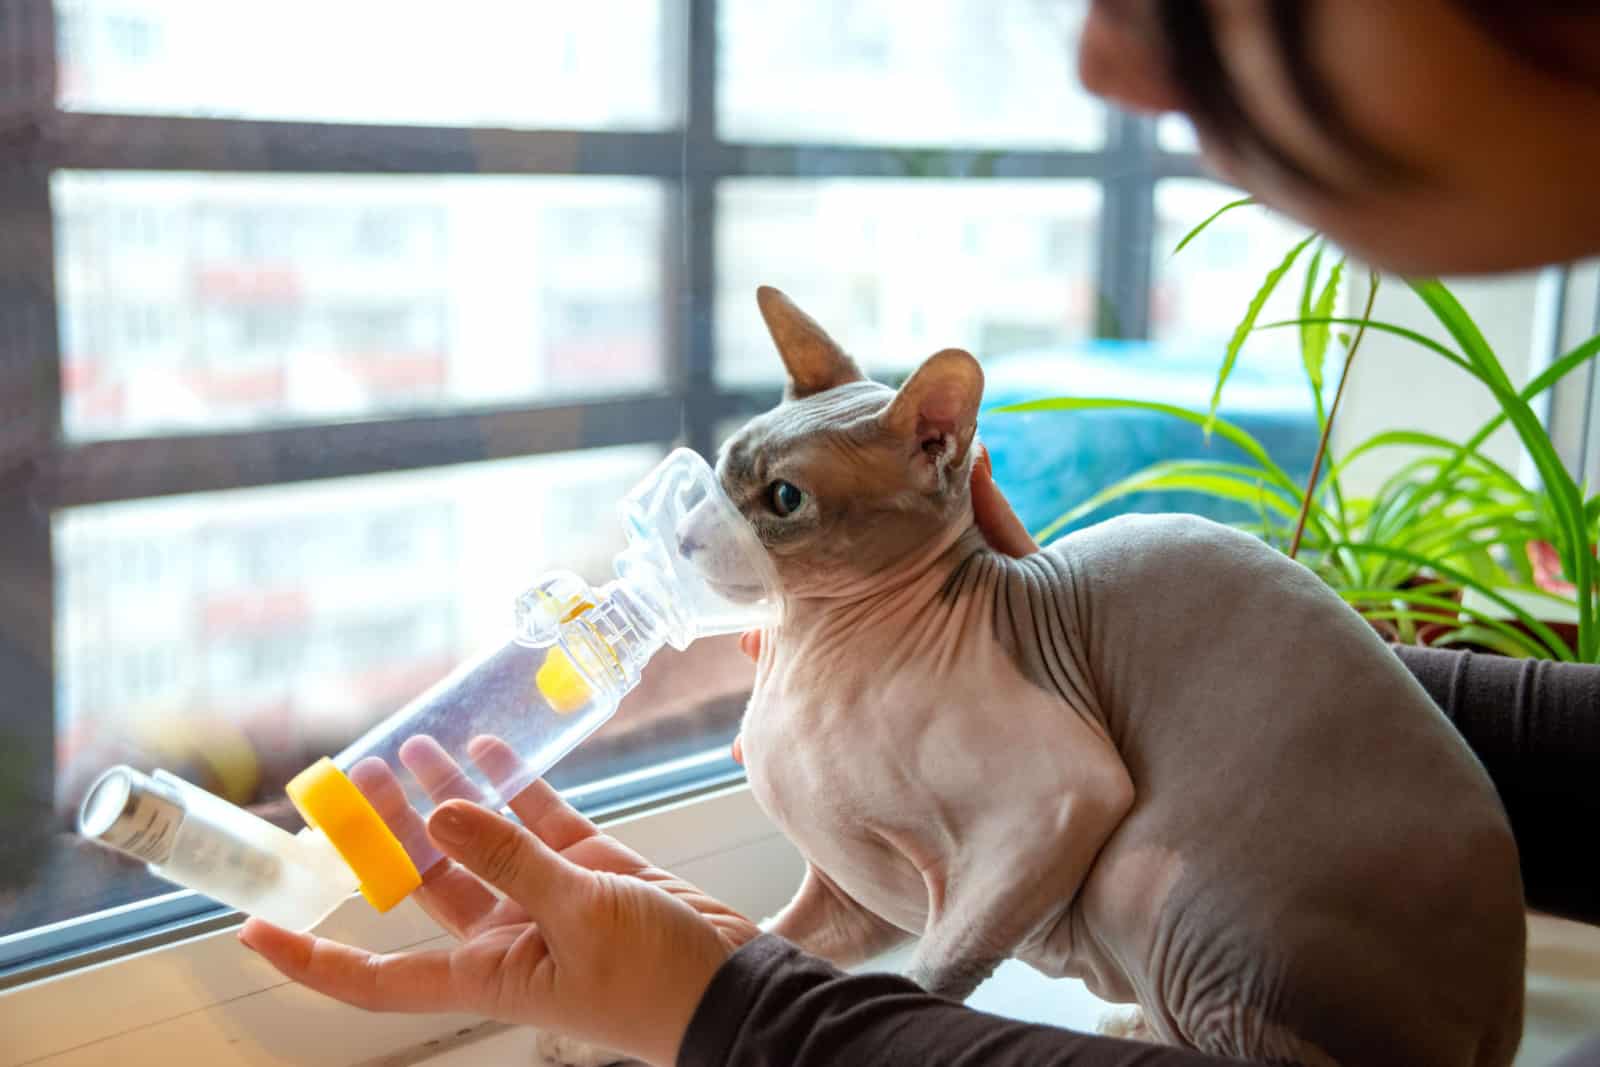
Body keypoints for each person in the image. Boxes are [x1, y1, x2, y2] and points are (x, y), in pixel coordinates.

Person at [240, 1, 1600, 1063]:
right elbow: (974, 811)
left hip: (1297, 971)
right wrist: (753, 977)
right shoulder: (962, 616)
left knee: (1150, 903)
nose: (1109, 67)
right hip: (1333, 871)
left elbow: (1064, 799)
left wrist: (775, 1021)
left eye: (1208, 3)